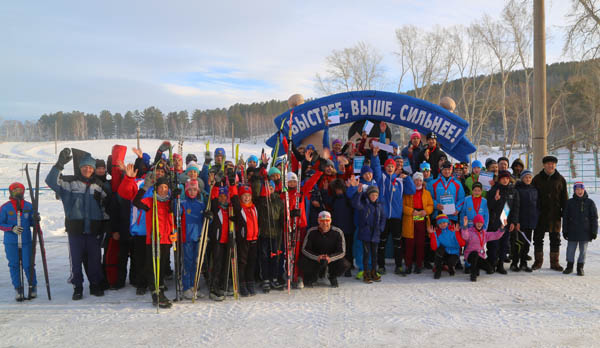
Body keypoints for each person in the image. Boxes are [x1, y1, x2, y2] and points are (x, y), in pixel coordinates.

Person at [46, 149, 108, 300]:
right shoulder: (69, 183)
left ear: (93, 170)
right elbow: (50, 181)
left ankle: (95, 285)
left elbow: (104, 208)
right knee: (76, 261)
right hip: (75, 230)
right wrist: (59, 165)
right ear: (80, 167)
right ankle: (78, 287)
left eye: (91, 167)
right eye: (85, 166)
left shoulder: (99, 186)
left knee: (94, 261)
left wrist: (105, 227)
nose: (88, 169)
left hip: (94, 230)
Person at [132, 174, 174, 309]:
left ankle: (160, 288)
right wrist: (145, 187)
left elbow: (176, 212)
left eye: (166, 187)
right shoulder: (151, 201)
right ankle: (155, 292)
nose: (164, 190)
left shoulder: (169, 203)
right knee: (152, 266)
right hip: (154, 239)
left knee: (162, 266)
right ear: (156, 189)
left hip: (166, 239)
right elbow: (136, 202)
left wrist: (176, 196)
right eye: (161, 187)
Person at [374, 149, 416, 275]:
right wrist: (375, 156)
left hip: (397, 216)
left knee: (398, 243)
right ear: (385, 167)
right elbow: (376, 168)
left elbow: (412, 191)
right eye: (388, 166)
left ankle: (399, 266)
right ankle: (381, 266)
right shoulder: (381, 178)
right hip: (384, 216)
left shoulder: (400, 181)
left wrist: (407, 178)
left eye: (392, 166)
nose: (390, 168)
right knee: (382, 242)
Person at [0, 183, 37, 301]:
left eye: (20, 189)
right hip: (11, 242)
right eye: (15, 190)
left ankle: (32, 286)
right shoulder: (5, 207)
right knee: (14, 265)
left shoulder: (29, 206)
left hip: (26, 241)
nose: (18, 192)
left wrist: (36, 219)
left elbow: (33, 223)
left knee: (28, 265)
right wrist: (11, 228)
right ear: (11, 191)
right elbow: (0, 223)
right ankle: (18, 288)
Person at [532, 155, 568, 271]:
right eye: (548, 164)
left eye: (553, 164)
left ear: (555, 165)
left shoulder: (560, 179)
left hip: (555, 214)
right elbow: (533, 197)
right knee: (538, 238)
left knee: (555, 238)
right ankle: (538, 262)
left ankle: (555, 263)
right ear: (544, 165)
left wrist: (565, 212)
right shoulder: (537, 179)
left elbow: (564, 197)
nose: (550, 165)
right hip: (540, 214)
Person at [348, 177, 385, 284]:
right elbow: (355, 204)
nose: (374, 197)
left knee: (374, 254)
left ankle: (373, 271)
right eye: (372, 195)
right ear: (368, 195)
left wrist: (381, 228)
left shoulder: (379, 206)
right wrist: (359, 193)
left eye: (376, 195)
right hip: (365, 233)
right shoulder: (364, 204)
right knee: (366, 254)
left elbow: (383, 217)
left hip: (376, 233)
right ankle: (366, 273)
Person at [299, 211, 350, 288]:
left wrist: (330, 258)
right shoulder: (312, 231)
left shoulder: (338, 232)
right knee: (302, 261)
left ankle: (332, 276)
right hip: (316, 259)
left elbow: (342, 252)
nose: (325, 223)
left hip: (331, 260)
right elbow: (304, 249)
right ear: (318, 221)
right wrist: (317, 257)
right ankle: (313, 277)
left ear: (331, 221)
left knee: (344, 264)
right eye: (322, 221)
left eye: (327, 220)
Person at [486, 170, 519, 275]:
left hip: (506, 222)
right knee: (494, 244)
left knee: (504, 244)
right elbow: (489, 207)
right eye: (503, 178)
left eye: (507, 178)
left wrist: (513, 222)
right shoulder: (493, 190)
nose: (505, 180)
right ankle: (492, 263)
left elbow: (516, 208)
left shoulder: (513, 191)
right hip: (495, 221)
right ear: (499, 179)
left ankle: (500, 264)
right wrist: (495, 199)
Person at [562, 182, 598, 276]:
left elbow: (594, 218)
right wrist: (565, 230)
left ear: (584, 190)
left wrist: (594, 231)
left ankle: (580, 267)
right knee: (570, 250)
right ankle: (569, 266)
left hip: (585, 231)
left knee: (583, 251)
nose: (579, 191)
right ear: (574, 191)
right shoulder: (569, 202)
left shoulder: (590, 202)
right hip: (572, 231)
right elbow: (565, 218)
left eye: (581, 189)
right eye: (577, 189)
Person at [402, 172, 434, 274]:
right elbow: (403, 206)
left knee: (420, 243)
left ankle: (419, 264)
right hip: (410, 218)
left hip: (421, 218)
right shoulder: (407, 192)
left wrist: (426, 211)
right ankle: (408, 265)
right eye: (416, 180)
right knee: (409, 243)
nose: (418, 182)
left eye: (420, 180)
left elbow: (430, 205)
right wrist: (412, 211)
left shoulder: (427, 193)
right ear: (413, 181)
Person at [180, 179, 206, 299]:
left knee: (197, 263)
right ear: (186, 191)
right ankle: (186, 287)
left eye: (194, 189)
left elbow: (206, 220)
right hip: (187, 238)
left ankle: (194, 286)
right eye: (189, 189)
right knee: (188, 262)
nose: (192, 191)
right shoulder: (183, 203)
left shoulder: (201, 204)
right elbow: (176, 213)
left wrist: (208, 216)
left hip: (198, 237)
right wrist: (175, 200)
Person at [256, 180, 284, 292]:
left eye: (271, 188)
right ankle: (266, 279)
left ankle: (274, 277)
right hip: (263, 233)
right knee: (264, 256)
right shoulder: (261, 201)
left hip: (276, 233)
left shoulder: (278, 200)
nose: (269, 190)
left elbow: (282, 214)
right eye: (267, 188)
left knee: (275, 257)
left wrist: (283, 222)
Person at [460, 215, 505, 282]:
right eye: (477, 222)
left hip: (480, 256)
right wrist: (465, 226)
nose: (479, 224)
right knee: (475, 254)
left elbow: (496, 235)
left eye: (481, 223)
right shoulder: (469, 231)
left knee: (490, 269)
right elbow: (465, 236)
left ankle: (476, 268)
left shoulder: (484, 233)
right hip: (470, 255)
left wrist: (502, 228)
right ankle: (473, 274)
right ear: (474, 223)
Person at [514, 170, 538, 272]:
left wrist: (536, 216)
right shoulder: (517, 189)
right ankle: (514, 263)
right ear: (522, 178)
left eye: (529, 177)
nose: (528, 179)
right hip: (520, 221)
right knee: (519, 243)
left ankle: (524, 263)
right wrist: (517, 221)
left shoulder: (534, 190)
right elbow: (516, 206)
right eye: (526, 177)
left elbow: (537, 205)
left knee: (527, 243)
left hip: (530, 221)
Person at [428, 214, 465, 279]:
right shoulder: (438, 232)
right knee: (439, 250)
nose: (442, 225)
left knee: (450, 263)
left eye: (444, 222)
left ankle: (450, 267)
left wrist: (457, 233)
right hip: (445, 252)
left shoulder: (453, 229)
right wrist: (433, 234)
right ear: (438, 225)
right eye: (440, 223)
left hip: (454, 253)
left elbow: (462, 244)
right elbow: (434, 247)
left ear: (447, 222)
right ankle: (438, 270)